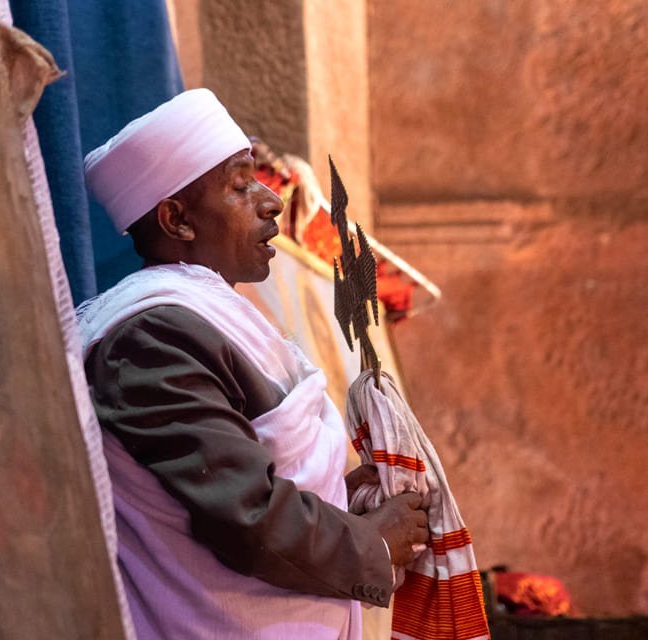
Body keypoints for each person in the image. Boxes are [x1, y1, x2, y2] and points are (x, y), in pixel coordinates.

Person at [77, 89, 428, 640]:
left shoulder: (205, 315)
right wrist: (375, 542)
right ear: (177, 219)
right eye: (241, 186)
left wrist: (344, 495)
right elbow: (244, 515)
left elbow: (251, 472)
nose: (271, 201)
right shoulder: (152, 336)